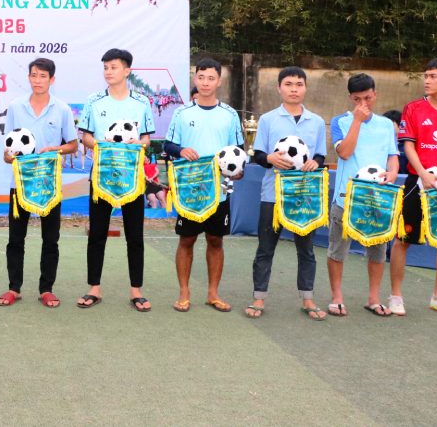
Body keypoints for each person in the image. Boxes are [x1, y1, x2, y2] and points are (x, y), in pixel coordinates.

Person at [246, 67, 328, 320]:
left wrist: (316, 162)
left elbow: (321, 155)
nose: (294, 88)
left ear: (305, 88)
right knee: (265, 248)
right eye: (289, 84)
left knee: (306, 250)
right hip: (273, 195)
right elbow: (258, 154)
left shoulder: (315, 121)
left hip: (305, 196)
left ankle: (308, 298)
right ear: (279, 88)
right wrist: (269, 158)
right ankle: (258, 298)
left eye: (299, 84)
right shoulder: (269, 119)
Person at [77, 48, 155, 311]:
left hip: (132, 178)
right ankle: (94, 289)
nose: (108, 72)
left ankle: (136, 291)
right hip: (101, 176)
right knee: (97, 233)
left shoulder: (142, 102)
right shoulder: (94, 101)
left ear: (127, 71)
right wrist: (99, 143)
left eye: (113, 67)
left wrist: (138, 143)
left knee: (135, 235)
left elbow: (146, 138)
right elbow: (84, 136)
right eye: (106, 68)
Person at [163, 58, 244, 313]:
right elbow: (168, 145)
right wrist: (181, 149)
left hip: (219, 190)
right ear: (195, 79)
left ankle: (212, 294)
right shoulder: (182, 113)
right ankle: (184, 293)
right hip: (190, 189)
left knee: (215, 240)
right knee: (186, 240)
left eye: (211, 78)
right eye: (201, 77)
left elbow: (239, 150)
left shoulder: (229, 115)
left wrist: (238, 168)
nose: (206, 82)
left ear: (219, 81)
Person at [0, 58, 77, 308]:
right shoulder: (15, 107)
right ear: (29, 78)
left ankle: (46, 288)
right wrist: (9, 156)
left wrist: (57, 149)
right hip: (20, 184)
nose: (38, 80)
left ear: (51, 80)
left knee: (50, 239)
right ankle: (13, 288)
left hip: (48, 185)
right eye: (34, 75)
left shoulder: (62, 109)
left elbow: (73, 145)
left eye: (43, 76)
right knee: (15, 238)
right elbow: (7, 151)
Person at [326, 74, 398, 317]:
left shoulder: (387, 125)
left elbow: (392, 156)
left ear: (375, 94)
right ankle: (337, 297)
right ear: (350, 98)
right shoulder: (339, 121)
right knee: (338, 249)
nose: (364, 104)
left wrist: (393, 172)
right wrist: (357, 121)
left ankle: (373, 298)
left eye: (367, 98)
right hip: (346, 197)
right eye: (358, 100)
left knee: (378, 249)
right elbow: (344, 153)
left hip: (377, 196)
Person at [392, 58, 437, 316]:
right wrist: (423, 173)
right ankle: (396, 296)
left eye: (432, 76)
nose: (426, 80)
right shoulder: (413, 108)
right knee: (404, 239)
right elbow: (408, 145)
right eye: (425, 75)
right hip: (417, 182)